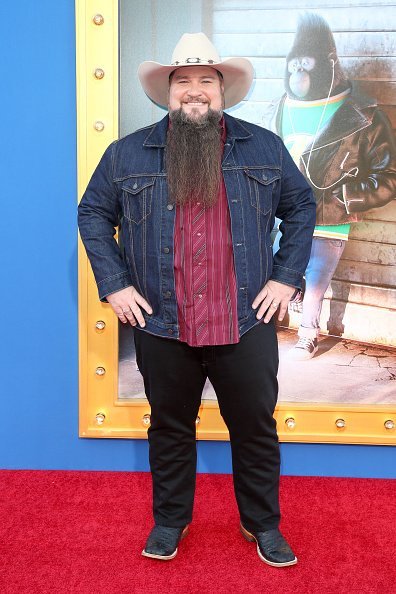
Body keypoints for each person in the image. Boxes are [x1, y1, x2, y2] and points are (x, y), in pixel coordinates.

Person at [78, 32, 316, 567]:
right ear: (166, 91)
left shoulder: (264, 146)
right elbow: (93, 212)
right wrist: (114, 283)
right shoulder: (126, 153)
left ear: (222, 89)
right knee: (168, 427)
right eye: (181, 81)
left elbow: (301, 205)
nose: (194, 91)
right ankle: (169, 522)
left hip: (244, 319)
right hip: (163, 321)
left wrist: (285, 277)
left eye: (205, 80)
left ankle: (263, 525)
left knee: (255, 429)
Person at [263, 14, 396, 360]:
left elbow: (389, 175)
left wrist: (347, 197)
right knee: (283, 274)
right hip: (285, 217)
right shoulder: (277, 109)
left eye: (306, 67)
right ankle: (274, 318)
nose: (298, 75)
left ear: (328, 65)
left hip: (329, 216)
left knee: (317, 279)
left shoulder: (362, 113)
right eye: (293, 68)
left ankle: (308, 333)